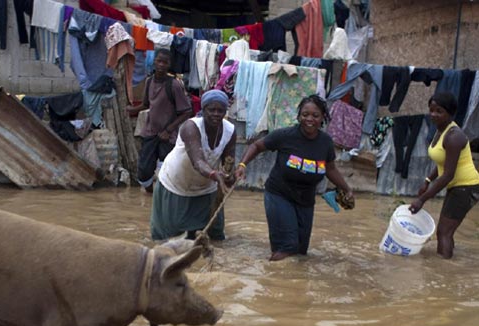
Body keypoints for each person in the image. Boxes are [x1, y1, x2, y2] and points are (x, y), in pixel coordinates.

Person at [235, 94, 355, 261]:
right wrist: (242, 165)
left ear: (323, 118)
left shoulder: (325, 142)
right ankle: (275, 280)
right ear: (299, 116)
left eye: (315, 115)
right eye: (305, 114)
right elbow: (257, 145)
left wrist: (346, 188)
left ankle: (294, 283)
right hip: (279, 195)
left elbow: (330, 168)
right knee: (287, 247)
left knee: (300, 250)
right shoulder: (285, 135)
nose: (309, 119)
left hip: (305, 201)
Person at [150, 89, 237, 241]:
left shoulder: (230, 130)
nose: (216, 114)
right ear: (203, 110)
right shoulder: (190, 127)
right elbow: (198, 162)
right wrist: (215, 175)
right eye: (212, 110)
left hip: (207, 186)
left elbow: (228, 160)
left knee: (213, 235)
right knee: (174, 240)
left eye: (220, 110)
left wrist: (230, 176)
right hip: (177, 183)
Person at [409, 92, 479, 259]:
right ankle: (449, 264)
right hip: (457, 187)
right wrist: (427, 180)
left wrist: (422, 199)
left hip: (466, 187)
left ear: (450, 113)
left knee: (443, 233)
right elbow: (442, 163)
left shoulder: (454, 136)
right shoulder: (440, 130)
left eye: (439, 111)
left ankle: (444, 271)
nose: (433, 115)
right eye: (431, 110)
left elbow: (448, 174)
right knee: (446, 231)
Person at [128, 49, 193, 193]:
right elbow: (146, 104)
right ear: (154, 62)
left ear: (169, 64)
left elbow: (186, 111)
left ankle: (164, 196)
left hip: (167, 135)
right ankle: (150, 194)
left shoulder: (174, 85)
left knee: (167, 169)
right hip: (150, 131)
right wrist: (130, 110)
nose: (162, 65)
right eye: (159, 61)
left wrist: (169, 130)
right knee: (144, 169)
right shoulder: (149, 81)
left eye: (165, 62)